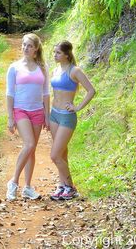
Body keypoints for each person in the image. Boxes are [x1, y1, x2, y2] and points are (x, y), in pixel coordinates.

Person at [48, 40, 95, 200]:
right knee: (62, 153)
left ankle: (70, 187)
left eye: (58, 53)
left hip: (67, 117)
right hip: (54, 115)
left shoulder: (75, 71)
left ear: (67, 55)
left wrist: (78, 107)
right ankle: (62, 185)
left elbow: (91, 90)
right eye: (54, 52)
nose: (55, 55)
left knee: (54, 155)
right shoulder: (55, 70)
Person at [5, 33, 50, 200]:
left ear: (36, 48)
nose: (25, 48)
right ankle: (13, 182)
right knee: (29, 144)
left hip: (37, 111)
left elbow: (46, 93)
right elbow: (9, 93)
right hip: (20, 110)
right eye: (24, 44)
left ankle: (28, 187)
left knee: (32, 149)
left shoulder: (42, 67)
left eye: (29, 45)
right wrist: (10, 117)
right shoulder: (14, 67)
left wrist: (47, 115)